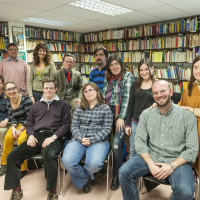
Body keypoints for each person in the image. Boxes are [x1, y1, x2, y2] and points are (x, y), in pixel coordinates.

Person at [119, 80, 199, 200]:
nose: (159, 95)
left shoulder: (187, 116)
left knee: (186, 192)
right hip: (152, 156)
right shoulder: (146, 114)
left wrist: (171, 166)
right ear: (152, 95)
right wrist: (150, 164)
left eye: (163, 91)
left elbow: (192, 150)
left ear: (171, 92)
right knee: (124, 172)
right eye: (155, 92)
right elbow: (140, 142)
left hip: (178, 159)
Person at [4, 78, 71, 200]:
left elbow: (66, 125)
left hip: (55, 136)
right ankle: (16, 190)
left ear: (56, 89)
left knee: (49, 155)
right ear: (42, 89)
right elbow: (29, 123)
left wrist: (53, 137)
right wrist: (30, 135)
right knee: (12, 156)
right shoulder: (36, 106)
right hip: (37, 135)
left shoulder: (63, 105)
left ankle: (52, 190)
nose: (48, 90)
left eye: (51, 88)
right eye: (46, 88)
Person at [62, 82, 113, 193]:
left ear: (97, 92)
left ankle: (88, 174)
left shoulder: (105, 109)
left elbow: (106, 129)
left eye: (90, 90)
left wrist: (92, 139)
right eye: (85, 91)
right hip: (79, 139)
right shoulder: (79, 109)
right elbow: (74, 127)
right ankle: (85, 179)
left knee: (94, 165)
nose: (88, 93)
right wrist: (81, 138)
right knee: (67, 161)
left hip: (99, 140)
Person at [102, 54, 134, 190]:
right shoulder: (108, 77)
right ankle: (101, 171)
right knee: (105, 141)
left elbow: (127, 98)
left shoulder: (127, 76)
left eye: (116, 64)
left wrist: (121, 117)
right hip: (108, 112)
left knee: (116, 144)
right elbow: (104, 95)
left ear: (121, 65)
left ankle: (117, 175)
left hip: (122, 113)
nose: (114, 67)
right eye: (111, 65)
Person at [0, 82, 33, 177]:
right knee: (8, 138)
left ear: (16, 89)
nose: (11, 91)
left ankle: (23, 168)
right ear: (5, 92)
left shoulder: (25, 99)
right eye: (8, 90)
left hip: (29, 125)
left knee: (21, 140)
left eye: (13, 88)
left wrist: (21, 129)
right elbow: (12, 117)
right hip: (17, 124)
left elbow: (30, 117)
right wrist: (13, 127)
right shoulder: (8, 103)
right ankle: (4, 165)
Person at [125, 58, 155, 158]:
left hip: (151, 123)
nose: (144, 72)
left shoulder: (157, 84)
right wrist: (128, 124)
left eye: (146, 69)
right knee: (133, 149)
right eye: (141, 70)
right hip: (135, 122)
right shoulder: (135, 84)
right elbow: (130, 104)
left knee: (148, 151)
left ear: (152, 69)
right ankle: (132, 173)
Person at [178, 55, 200, 173]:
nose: (198, 71)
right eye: (195, 67)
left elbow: (190, 109)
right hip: (192, 134)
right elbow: (180, 107)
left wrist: (194, 110)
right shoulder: (188, 88)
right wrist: (161, 105)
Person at [0, 75, 10, 154]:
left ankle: (3, 156)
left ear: (2, 84)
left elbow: (12, 112)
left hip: (5, 124)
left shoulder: (7, 98)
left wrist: (7, 119)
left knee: (2, 131)